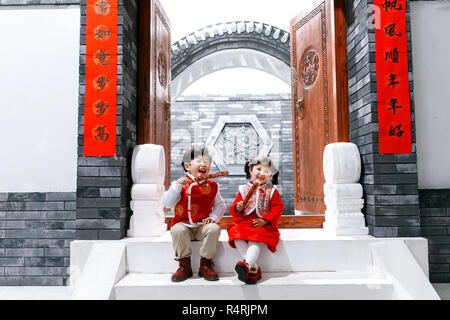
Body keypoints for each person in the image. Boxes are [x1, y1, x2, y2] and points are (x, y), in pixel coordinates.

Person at [162, 146, 226, 282]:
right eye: (199, 161)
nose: (204, 164)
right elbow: (167, 203)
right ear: (187, 166)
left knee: (214, 228)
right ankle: (184, 265)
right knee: (177, 230)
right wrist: (176, 187)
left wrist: (213, 218)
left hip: (202, 226)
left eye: (206, 162)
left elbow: (220, 206)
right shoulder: (179, 185)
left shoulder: (212, 185)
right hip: (184, 226)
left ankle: (206, 264)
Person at [227, 156, 284, 284]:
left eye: (266, 171)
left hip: (261, 224)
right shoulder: (243, 189)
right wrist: (238, 207)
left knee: (256, 239)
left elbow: (277, 209)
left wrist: (266, 220)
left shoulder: (272, 191)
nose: (262, 173)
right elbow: (234, 209)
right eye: (259, 169)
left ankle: (246, 265)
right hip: (244, 222)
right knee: (236, 233)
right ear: (251, 170)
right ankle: (251, 267)